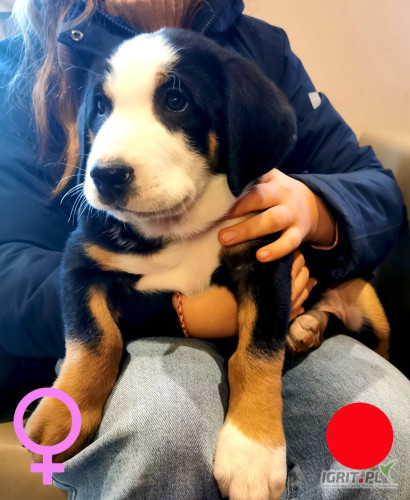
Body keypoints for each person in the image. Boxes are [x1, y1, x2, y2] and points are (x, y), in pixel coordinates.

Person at [0, 1, 409, 499]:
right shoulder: (21, 64)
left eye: (175, 100)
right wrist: (180, 313)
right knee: (161, 433)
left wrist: (316, 207)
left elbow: (376, 191)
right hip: (135, 338)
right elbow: (11, 272)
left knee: (390, 437)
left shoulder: (262, 50)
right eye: (102, 108)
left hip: (278, 324)